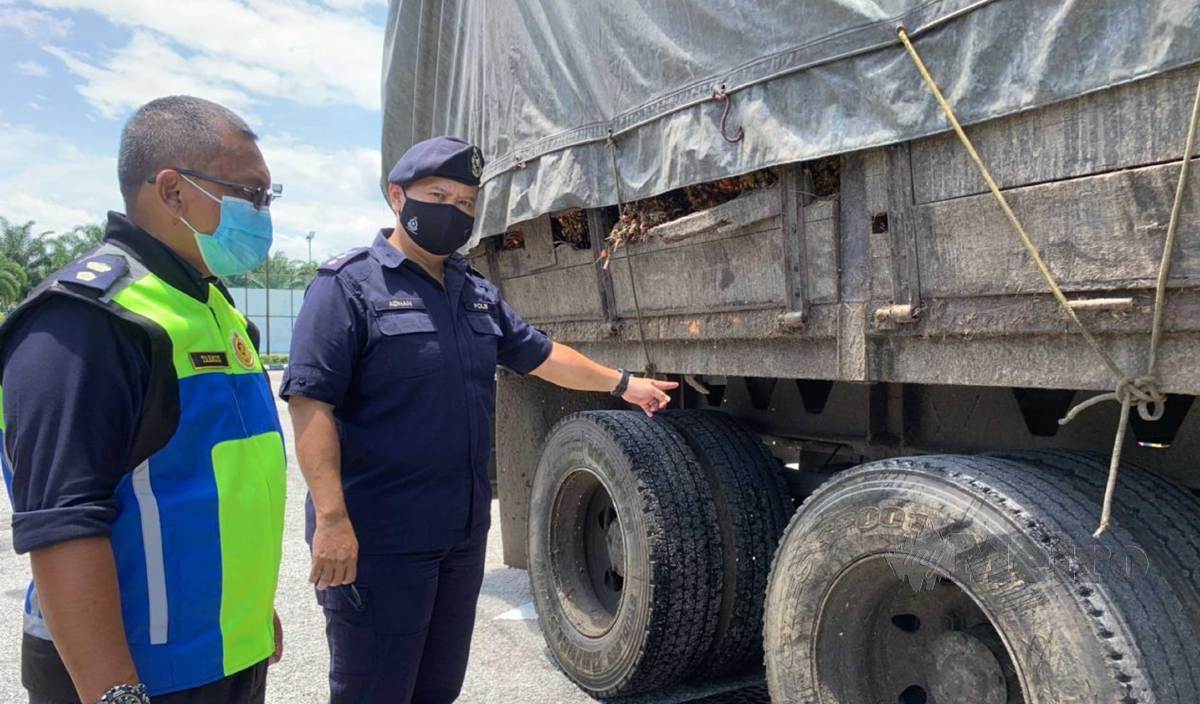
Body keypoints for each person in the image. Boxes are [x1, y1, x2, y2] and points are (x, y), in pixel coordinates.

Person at [281, 136, 676, 704]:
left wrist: (623, 383)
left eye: (467, 202)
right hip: (380, 540)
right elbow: (310, 404)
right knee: (374, 690)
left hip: (459, 538)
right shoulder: (347, 286)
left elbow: (543, 355)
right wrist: (332, 521)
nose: (454, 210)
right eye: (438, 194)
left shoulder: (474, 292)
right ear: (398, 197)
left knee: (438, 688)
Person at [0, 96, 288, 704]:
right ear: (173, 190)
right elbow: (60, 523)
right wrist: (116, 693)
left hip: (225, 654)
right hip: (133, 679)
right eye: (251, 194)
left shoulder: (213, 309)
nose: (263, 213)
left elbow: (225, 488)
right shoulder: (86, 322)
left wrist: (251, 614)